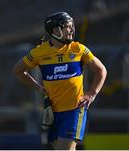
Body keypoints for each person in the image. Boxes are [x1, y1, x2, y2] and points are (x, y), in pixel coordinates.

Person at [13, 12, 107, 150]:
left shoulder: (78, 49)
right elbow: (18, 71)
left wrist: (92, 93)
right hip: (52, 112)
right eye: (66, 27)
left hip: (74, 109)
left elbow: (101, 70)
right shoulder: (39, 52)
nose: (71, 30)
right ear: (54, 30)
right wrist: (38, 87)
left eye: (71, 26)